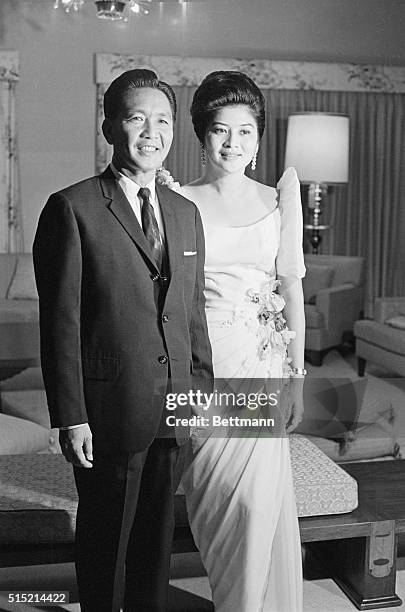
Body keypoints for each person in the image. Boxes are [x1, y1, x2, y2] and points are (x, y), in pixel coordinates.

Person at [33, 69, 213, 612]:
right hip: (108, 409)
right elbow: (60, 323)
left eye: (163, 120)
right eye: (137, 118)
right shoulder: (73, 207)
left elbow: (192, 313)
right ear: (110, 126)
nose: (152, 132)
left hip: (172, 405)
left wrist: (201, 387)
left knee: (156, 548)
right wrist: (71, 415)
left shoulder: (185, 214)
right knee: (106, 543)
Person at [180, 71, 306, 611]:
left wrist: (298, 377)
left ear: (259, 137)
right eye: (220, 130)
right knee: (213, 502)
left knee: (257, 505)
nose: (233, 143)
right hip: (201, 368)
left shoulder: (280, 198)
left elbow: (293, 291)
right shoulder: (176, 200)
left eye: (246, 131)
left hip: (261, 365)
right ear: (202, 136)